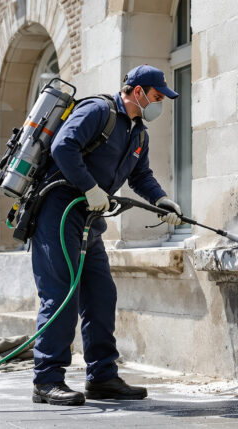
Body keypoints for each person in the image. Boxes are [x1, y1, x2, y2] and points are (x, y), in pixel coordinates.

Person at [30, 65, 182, 406]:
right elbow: (63, 147)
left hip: (89, 218)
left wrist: (161, 200)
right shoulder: (99, 111)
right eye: (157, 97)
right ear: (138, 91)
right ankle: (47, 380)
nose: (160, 104)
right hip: (59, 210)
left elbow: (140, 175)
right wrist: (90, 187)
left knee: (101, 295)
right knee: (62, 294)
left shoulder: (138, 133)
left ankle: (102, 377)